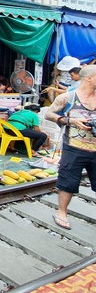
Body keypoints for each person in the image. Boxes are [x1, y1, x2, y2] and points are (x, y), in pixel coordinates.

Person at [45, 65, 96, 230]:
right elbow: (48, 114)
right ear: (89, 78)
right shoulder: (68, 97)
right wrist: (70, 121)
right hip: (74, 147)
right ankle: (61, 212)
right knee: (68, 181)